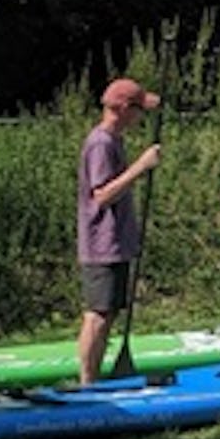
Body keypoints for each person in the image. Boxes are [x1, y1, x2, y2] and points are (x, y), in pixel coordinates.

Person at [76, 77, 162, 386]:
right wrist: (141, 167)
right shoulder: (101, 143)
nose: (142, 118)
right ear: (124, 109)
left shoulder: (115, 140)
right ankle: (88, 382)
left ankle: (95, 377)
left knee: (108, 312)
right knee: (98, 314)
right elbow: (101, 194)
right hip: (101, 242)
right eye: (140, 110)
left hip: (115, 241)